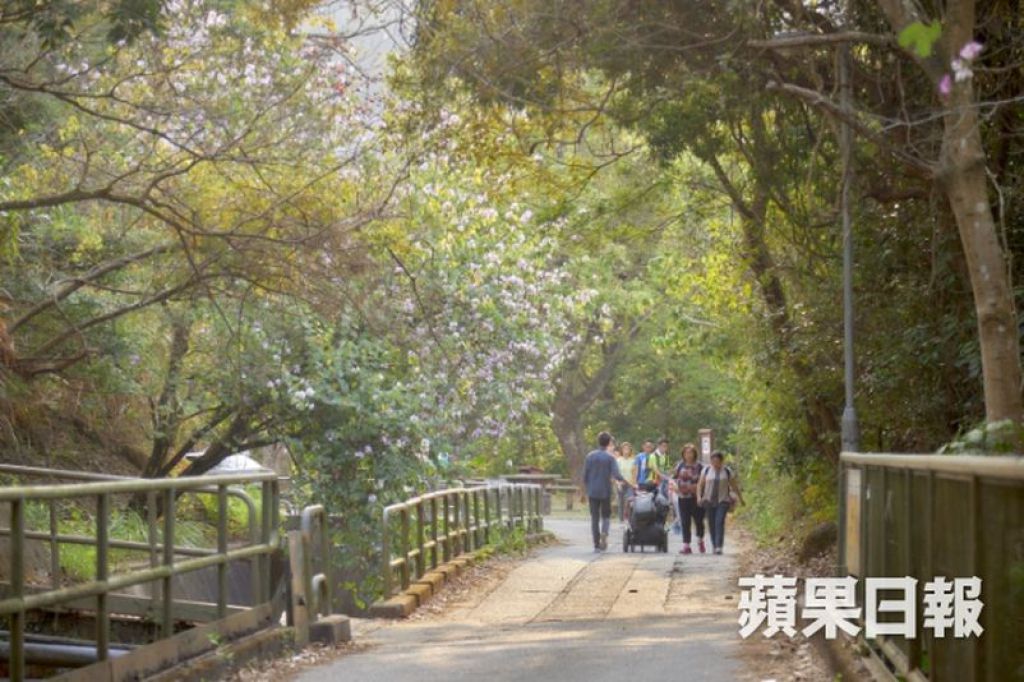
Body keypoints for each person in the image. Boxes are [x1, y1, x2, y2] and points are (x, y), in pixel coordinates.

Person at [583, 432, 631, 552]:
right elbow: (616, 474)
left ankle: (596, 544)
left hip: (592, 491)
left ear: (598, 441)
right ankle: (604, 532)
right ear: (609, 442)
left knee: (594, 518)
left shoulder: (590, 456)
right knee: (606, 516)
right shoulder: (610, 458)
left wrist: (584, 490)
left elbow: (585, 475)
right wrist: (629, 483)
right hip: (605, 491)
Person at [697, 451, 745, 555]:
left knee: (719, 522)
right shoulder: (706, 470)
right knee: (711, 523)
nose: (715, 463)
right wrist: (699, 497)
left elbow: (734, 486)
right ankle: (714, 545)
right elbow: (700, 485)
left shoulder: (727, 471)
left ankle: (719, 546)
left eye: (717, 461)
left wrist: (740, 498)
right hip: (708, 501)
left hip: (723, 501)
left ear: (721, 461)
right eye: (713, 461)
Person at [672, 443, 706, 554]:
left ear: (694, 454)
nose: (688, 455)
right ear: (683, 454)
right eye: (686, 453)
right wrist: (675, 487)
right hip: (683, 497)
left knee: (698, 521)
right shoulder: (680, 465)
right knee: (685, 521)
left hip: (696, 498)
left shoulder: (700, 466)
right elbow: (673, 478)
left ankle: (700, 540)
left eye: (690, 452)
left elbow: (705, 480)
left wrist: (699, 488)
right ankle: (686, 545)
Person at [615, 442, 636, 522]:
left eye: (628, 449)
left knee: (630, 501)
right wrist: (618, 483)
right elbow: (616, 473)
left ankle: (629, 518)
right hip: (620, 483)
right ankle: (621, 520)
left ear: (630, 450)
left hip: (630, 484)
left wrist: (634, 484)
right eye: (624, 449)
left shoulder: (633, 460)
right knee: (621, 502)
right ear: (622, 450)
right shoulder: (618, 460)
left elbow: (634, 474)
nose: (626, 450)